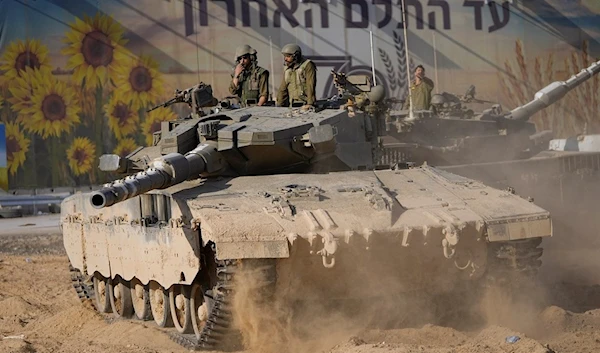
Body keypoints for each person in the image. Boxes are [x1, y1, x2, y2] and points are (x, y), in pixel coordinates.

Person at [276, 43, 317, 108]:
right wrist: (279, 104)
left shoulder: (307, 65)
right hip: (292, 105)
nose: (285, 59)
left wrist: (310, 103)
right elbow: (283, 87)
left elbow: (310, 85)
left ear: (296, 56)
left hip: (305, 103)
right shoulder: (287, 69)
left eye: (288, 56)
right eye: (285, 56)